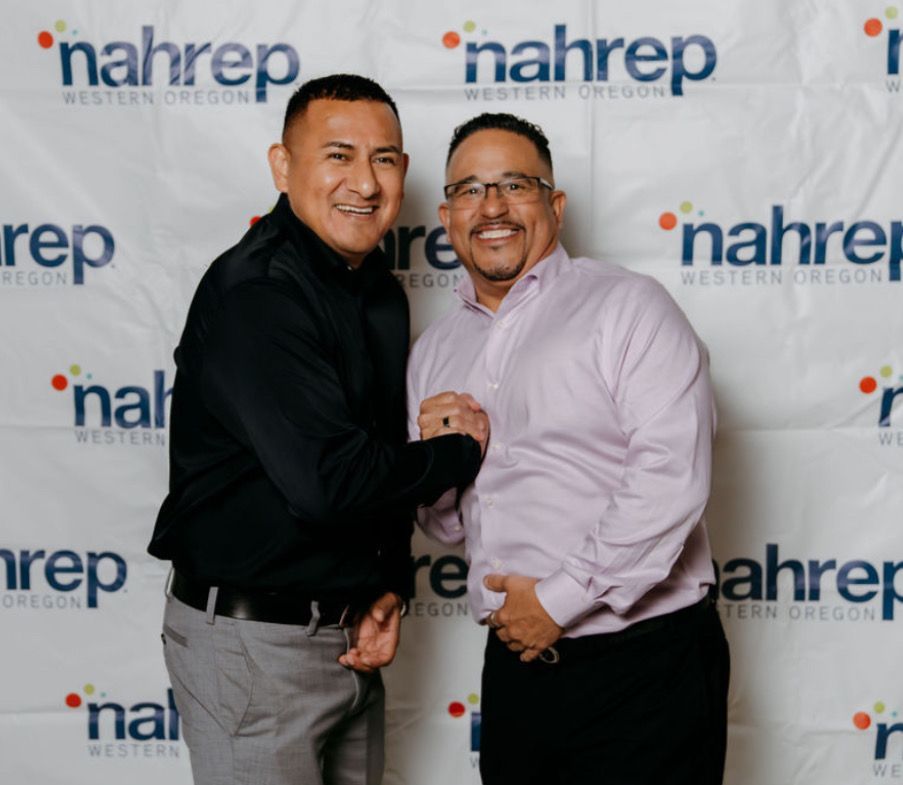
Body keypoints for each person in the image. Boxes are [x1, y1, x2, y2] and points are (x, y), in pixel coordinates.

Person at [147, 74, 487, 785]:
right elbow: (330, 482)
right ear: (282, 166)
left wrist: (387, 580)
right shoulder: (259, 293)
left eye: (384, 159)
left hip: (347, 633)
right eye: (338, 155)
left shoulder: (378, 292)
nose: (364, 182)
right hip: (251, 648)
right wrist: (460, 451)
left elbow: (376, 448)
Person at [408, 112, 730, 785]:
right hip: (516, 670)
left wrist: (556, 600)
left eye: (513, 185)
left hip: (644, 666)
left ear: (554, 204)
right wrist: (437, 459)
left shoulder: (629, 307)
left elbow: (670, 478)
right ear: (446, 216)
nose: (491, 207)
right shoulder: (434, 350)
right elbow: (445, 525)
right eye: (469, 190)